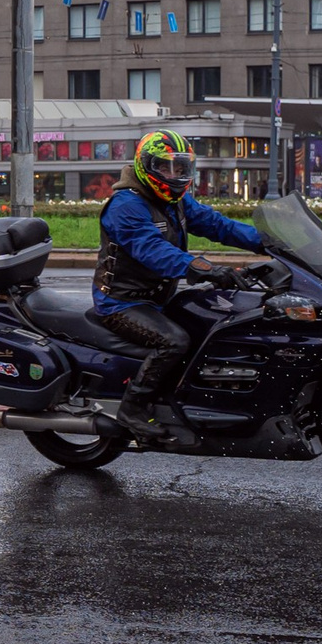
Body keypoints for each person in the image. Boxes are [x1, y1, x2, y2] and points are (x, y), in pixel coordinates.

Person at [95, 128, 267, 433]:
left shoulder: (176, 201)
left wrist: (266, 242)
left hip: (158, 296)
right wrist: (203, 268)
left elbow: (216, 224)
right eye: (164, 166)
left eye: (181, 167)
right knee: (174, 342)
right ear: (145, 166)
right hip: (122, 302)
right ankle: (132, 408)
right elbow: (152, 249)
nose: (174, 174)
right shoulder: (126, 205)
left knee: (216, 324)